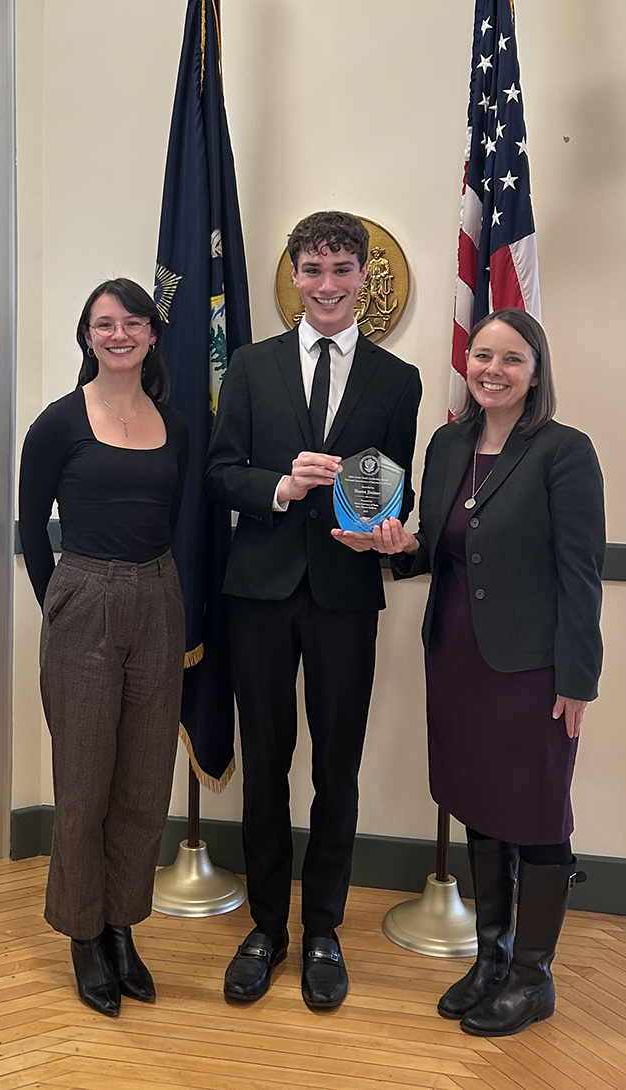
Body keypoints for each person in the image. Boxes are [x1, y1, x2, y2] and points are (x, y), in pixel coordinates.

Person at [350, 308, 605, 1037]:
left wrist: (578, 678)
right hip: (456, 656)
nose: (492, 369)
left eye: (512, 358)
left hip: (533, 668)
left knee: (537, 814)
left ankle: (533, 977)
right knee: (480, 804)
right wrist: (391, 545)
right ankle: (490, 958)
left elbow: (582, 574)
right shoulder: (448, 442)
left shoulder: (564, 451)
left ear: (536, 371)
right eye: (482, 355)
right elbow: (434, 546)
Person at [204, 210, 422, 1010]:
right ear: (293, 275)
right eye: (313, 268)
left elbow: (396, 488)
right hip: (258, 594)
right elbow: (220, 474)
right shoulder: (253, 368)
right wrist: (279, 487)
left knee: (337, 768)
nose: (327, 285)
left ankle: (323, 928)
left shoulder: (399, 381)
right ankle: (266, 928)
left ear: (364, 277)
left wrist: (391, 536)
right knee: (265, 767)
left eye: (342, 269)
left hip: (344, 597)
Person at [18, 278, 188, 1017]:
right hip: (84, 597)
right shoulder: (59, 423)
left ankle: (122, 926)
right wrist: (63, 608)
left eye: (132, 323)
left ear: (153, 334)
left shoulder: (175, 425)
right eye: (103, 324)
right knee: (84, 785)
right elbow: (31, 530)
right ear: (87, 337)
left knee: (145, 785)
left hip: (160, 597)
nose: (118, 334)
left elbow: (175, 517)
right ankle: (83, 934)